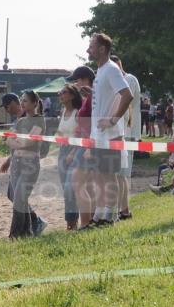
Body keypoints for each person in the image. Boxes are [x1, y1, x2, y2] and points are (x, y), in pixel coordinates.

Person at [86, 34, 133, 227]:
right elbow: (109, 96)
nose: (88, 50)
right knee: (99, 176)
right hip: (98, 134)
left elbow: (127, 95)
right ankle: (99, 215)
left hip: (110, 134)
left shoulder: (112, 69)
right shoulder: (102, 70)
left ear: (103, 49)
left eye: (91, 46)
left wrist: (112, 120)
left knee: (109, 175)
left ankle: (109, 216)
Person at [0, 92, 46, 235]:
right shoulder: (20, 121)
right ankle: (27, 232)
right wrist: (17, 142)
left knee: (19, 198)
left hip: (29, 164)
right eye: (21, 100)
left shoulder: (39, 120)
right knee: (18, 198)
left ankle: (15, 234)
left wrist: (16, 142)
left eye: (25, 101)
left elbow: (28, 142)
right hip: (16, 163)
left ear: (34, 103)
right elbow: (7, 139)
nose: (22, 103)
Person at [111, 55, 141, 221]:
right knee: (118, 173)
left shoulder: (128, 79)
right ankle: (122, 210)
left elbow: (119, 99)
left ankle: (124, 210)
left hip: (127, 133)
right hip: (120, 133)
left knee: (122, 174)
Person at [66, 66, 96, 228]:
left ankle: (85, 223)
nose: (75, 83)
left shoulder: (92, 98)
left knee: (78, 184)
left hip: (88, 146)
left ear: (85, 79)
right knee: (88, 185)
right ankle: (90, 220)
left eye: (77, 80)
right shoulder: (88, 98)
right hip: (84, 146)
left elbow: (95, 125)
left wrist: (89, 148)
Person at [55, 83, 82, 230]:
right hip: (62, 151)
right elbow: (61, 133)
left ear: (72, 95)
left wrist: (72, 152)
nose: (61, 95)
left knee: (69, 188)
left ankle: (73, 222)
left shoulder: (77, 113)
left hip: (74, 151)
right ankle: (70, 223)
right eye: (60, 93)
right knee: (65, 189)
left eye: (63, 92)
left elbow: (81, 135)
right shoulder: (63, 112)